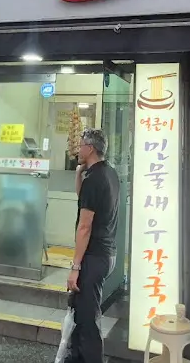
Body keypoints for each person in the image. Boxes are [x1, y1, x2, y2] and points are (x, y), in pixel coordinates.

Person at [67, 128, 119, 363]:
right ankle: (76, 357)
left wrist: (75, 267)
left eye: (80, 146)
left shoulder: (95, 179)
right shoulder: (109, 173)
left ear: (89, 148)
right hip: (106, 254)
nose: (77, 150)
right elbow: (83, 200)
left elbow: (85, 226)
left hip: (94, 256)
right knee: (81, 311)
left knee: (88, 318)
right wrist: (79, 173)